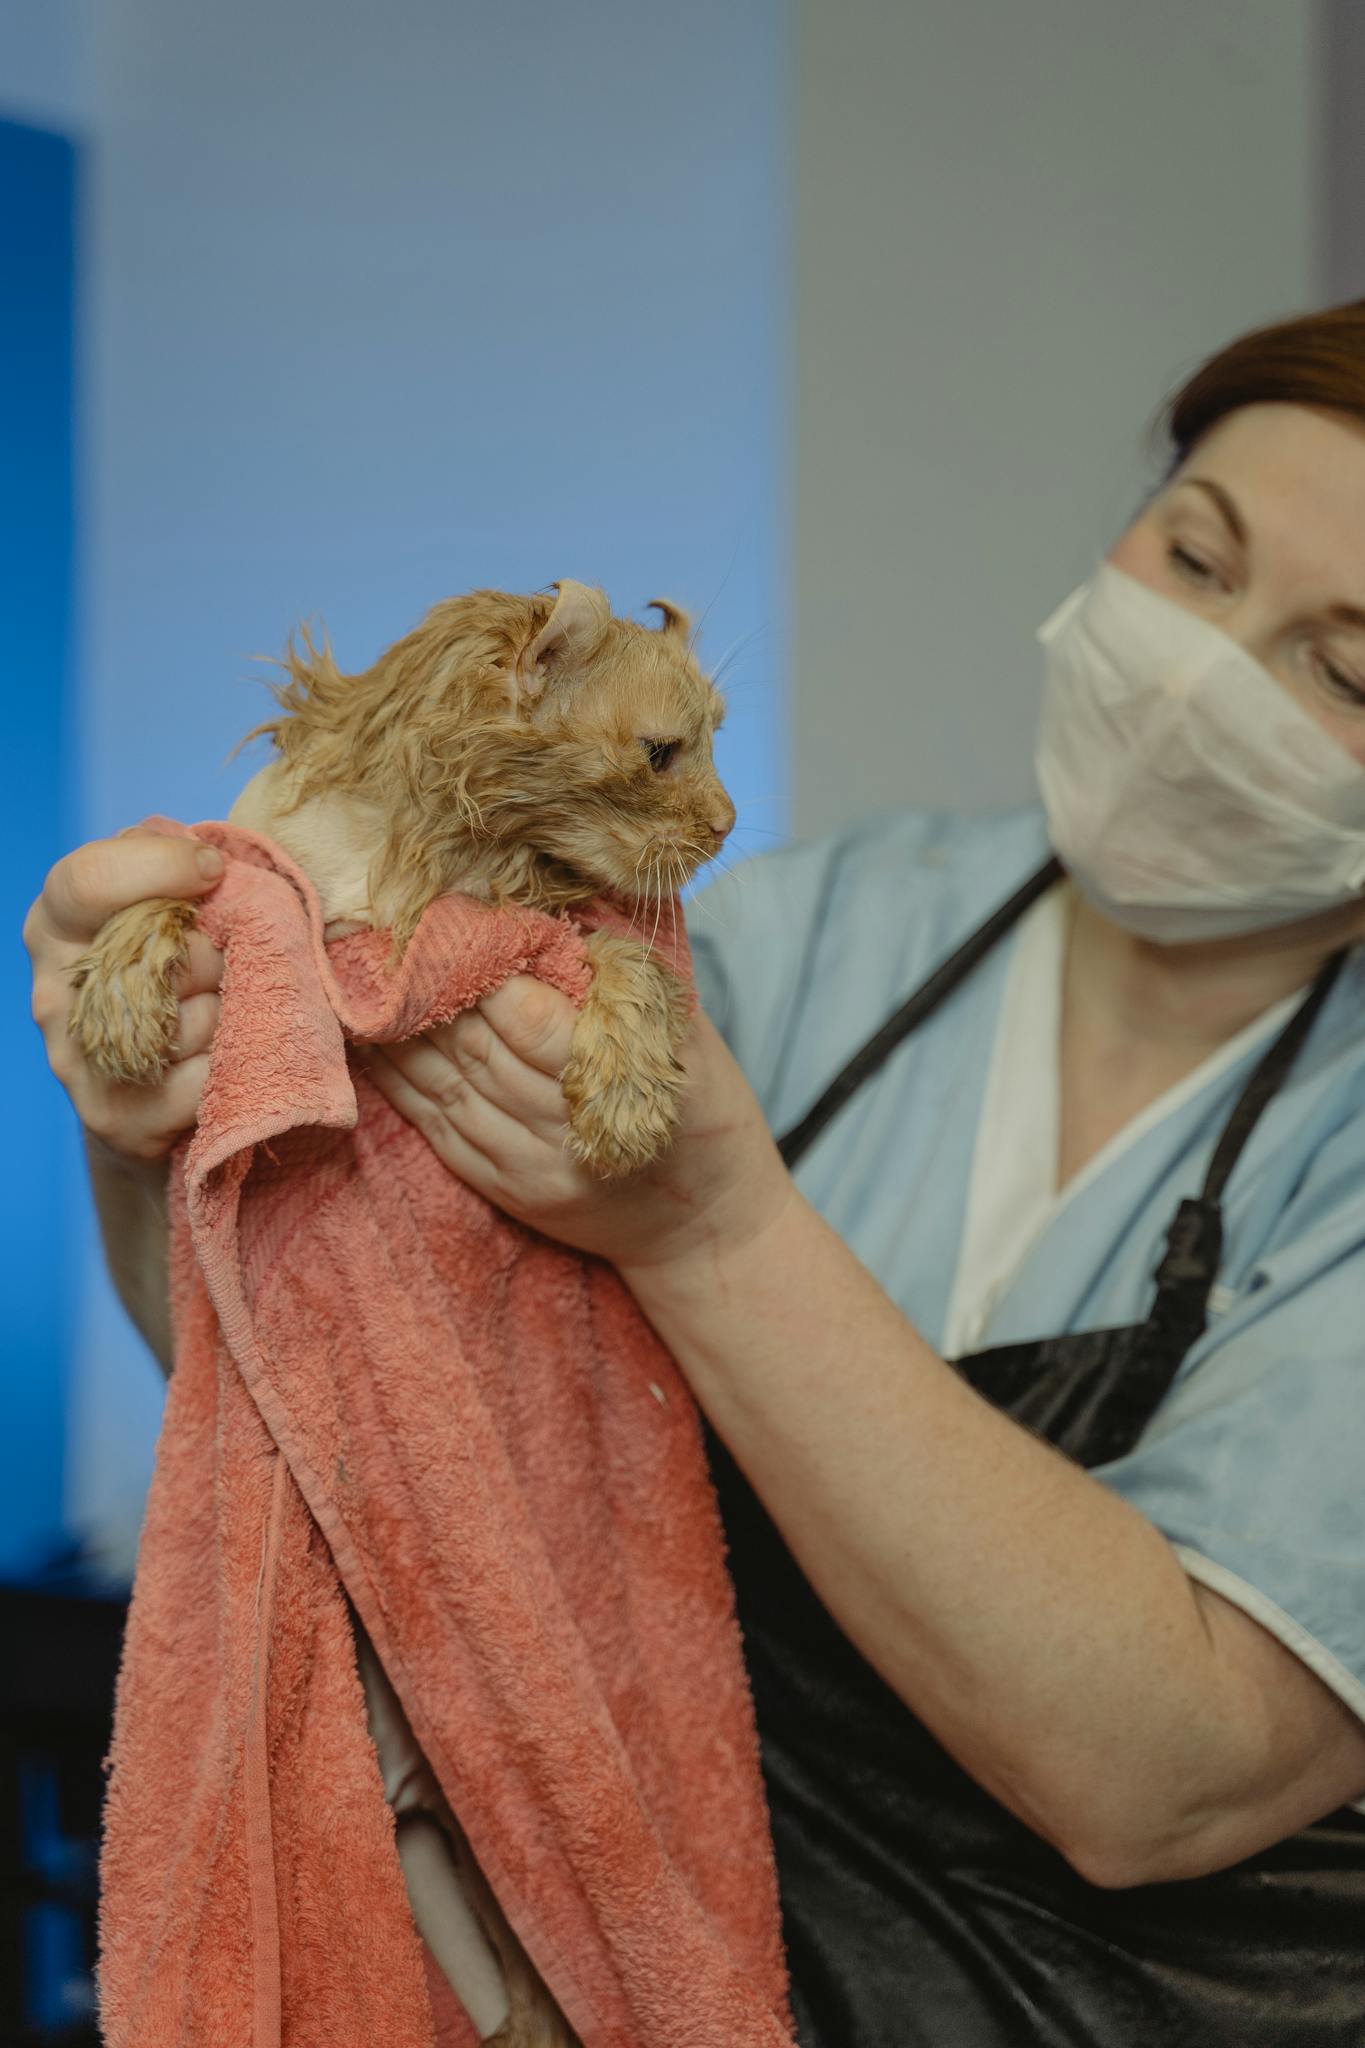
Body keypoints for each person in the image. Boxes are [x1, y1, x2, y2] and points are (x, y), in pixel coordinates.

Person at [26, 298, 1365, 2044]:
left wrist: (713, 1232)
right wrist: (176, 1121)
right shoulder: (831, 928)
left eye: (1343, 668)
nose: (1200, 672)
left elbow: (1163, 1783)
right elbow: (357, 1387)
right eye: (1193, 555)